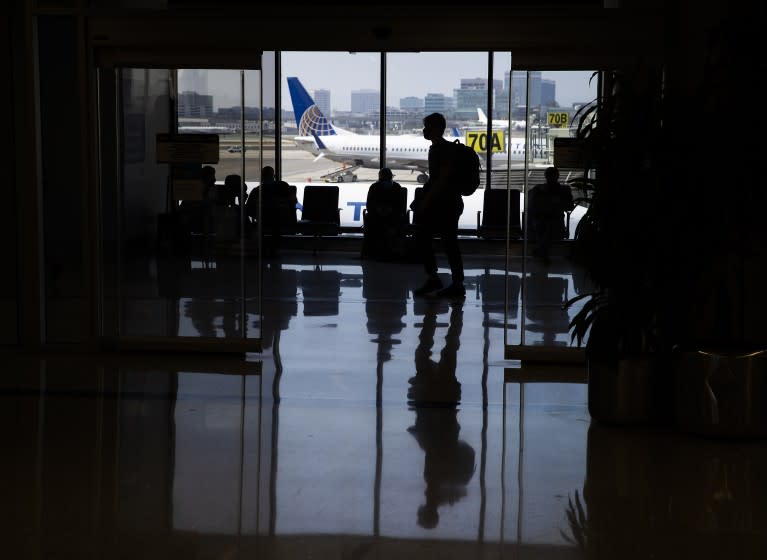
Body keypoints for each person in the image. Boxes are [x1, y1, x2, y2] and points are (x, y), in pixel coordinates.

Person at [411, 113, 465, 298]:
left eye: (427, 127)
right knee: (447, 243)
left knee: (431, 239)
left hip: (445, 205)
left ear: (435, 128)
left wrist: (424, 202)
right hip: (448, 203)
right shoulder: (441, 148)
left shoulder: (439, 150)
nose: (424, 130)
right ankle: (451, 282)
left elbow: (441, 180)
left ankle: (444, 281)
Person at [245, 166, 298, 256]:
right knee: (274, 223)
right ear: (273, 176)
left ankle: (263, 249)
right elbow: (293, 200)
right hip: (277, 218)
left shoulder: (257, 190)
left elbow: (249, 207)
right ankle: (273, 249)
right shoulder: (282, 186)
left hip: (266, 218)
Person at [528, 166, 574, 262]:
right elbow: (569, 206)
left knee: (545, 227)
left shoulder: (538, 189)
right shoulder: (564, 190)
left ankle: (541, 250)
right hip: (554, 221)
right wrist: (556, 202)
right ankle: (543, 251)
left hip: (543, 221)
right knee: (548, 226)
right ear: (558, 176)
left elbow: (532, 206)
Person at [362, 167, 406, 260]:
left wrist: (380, 211)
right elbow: (401, 206)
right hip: (389, 216)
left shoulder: (374, 187)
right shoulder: (396, 187)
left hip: (383, 216)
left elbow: (369, 205)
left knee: (374, 223)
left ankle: (374, 251)